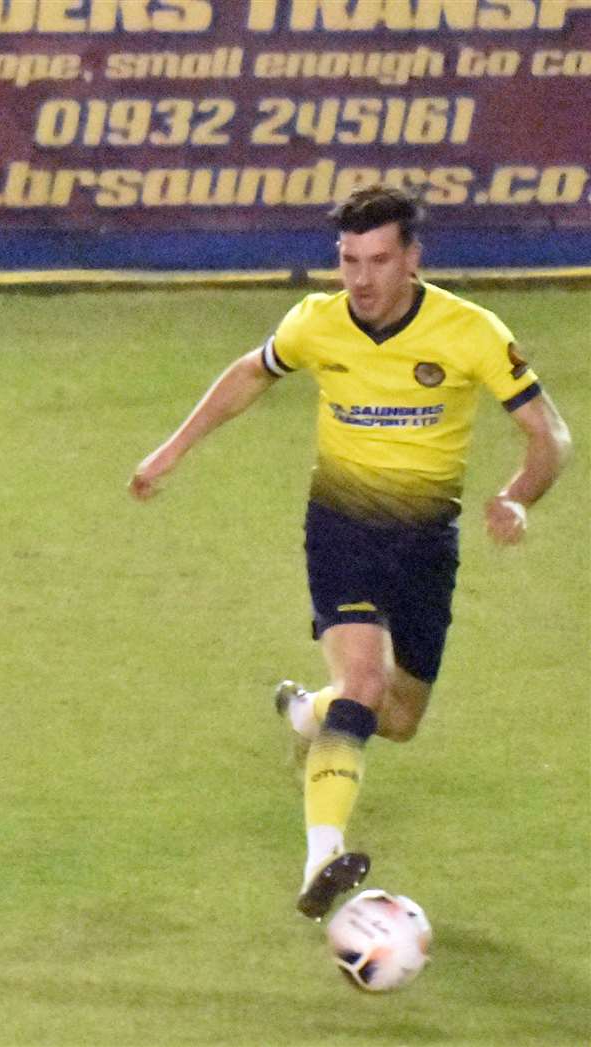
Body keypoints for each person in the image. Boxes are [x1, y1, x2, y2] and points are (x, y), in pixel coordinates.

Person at [129, 186, 572, 920]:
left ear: (413, 259)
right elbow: (250, 372)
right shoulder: (317, 322)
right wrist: (173, 449)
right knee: (366, 682)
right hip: (342, 529)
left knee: (397, 717)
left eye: (377, 260)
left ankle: (310, 713)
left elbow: (549, 435)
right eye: (347, 260)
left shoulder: (471, 331)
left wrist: (520, 494)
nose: (359, 279)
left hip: (428, 544)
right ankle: (322, 857)